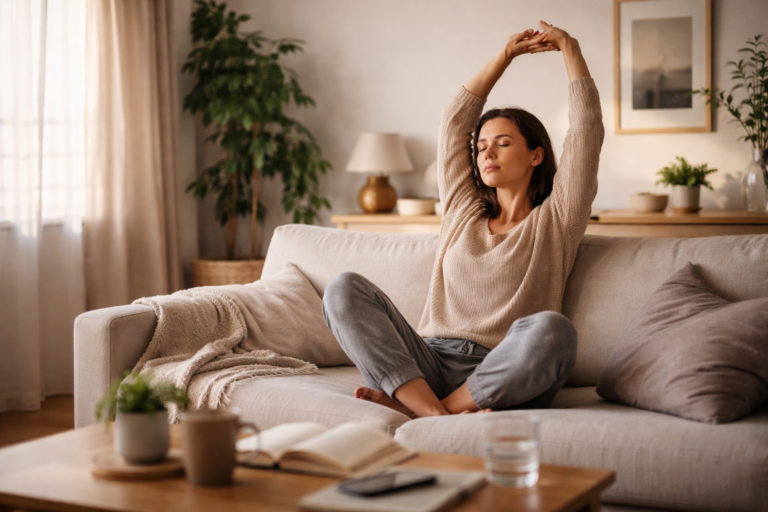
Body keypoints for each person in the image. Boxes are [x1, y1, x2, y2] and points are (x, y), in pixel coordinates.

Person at [322, 21, 604, 418]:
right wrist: (505, 56)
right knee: (342, 289)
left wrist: (571, 49)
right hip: (430, 363)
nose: (488, 153)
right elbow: (455, 123)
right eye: (483, 147)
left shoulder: (556, 221)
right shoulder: (462, 210)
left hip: (504, 373)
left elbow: (586, 134)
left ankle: (429, 411)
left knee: (554, 331)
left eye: (503, 144)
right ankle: (432, 409)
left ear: (536, 156)